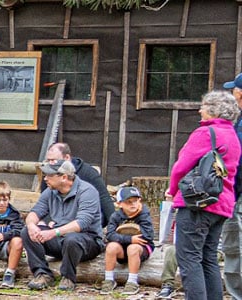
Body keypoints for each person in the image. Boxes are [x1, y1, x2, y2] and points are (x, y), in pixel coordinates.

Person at [168, 91, 240, 299]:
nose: (200, 110)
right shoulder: (232, 135)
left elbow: (181, 167)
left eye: (204, 106)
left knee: (189, 258)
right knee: (208, 258)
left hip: (198, 203)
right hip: (222, 203)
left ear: (214, 110)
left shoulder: (205, 133)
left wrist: (172, 190)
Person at [24, 160, 106, 291]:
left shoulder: (87, 191)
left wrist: (53, 232)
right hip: (60, 238)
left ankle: (68, 278)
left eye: (50, 175)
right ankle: (42, 274)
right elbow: (35, 212)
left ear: (64, 177)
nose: (45, 178)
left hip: (87, 241)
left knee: (72, 238)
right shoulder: (50, 192)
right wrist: (31, 225)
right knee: (26, 232)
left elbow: (82, 223)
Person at [44, 143, 115, 229]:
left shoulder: (88, 173)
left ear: (67, 157)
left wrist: (114, 226)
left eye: (53, 160)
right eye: (48, 160)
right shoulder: (48, 176)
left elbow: (104, 198)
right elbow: (45, 203)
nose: (50, 164)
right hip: (59, 216)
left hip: (87, 217)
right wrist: (48, 220)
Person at [100, 187, 154, 294]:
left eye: (135, 201)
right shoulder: (116, 216)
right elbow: (110, 235)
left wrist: (134, 240)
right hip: (122, 249)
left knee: (132, 248)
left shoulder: (144, 214)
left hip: (141, 248)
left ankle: (132, 281)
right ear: (119, 204)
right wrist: (129, 239)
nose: (133, 204)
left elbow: (148, 236)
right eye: (128, 202)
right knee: (111, 247)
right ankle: (109, 279)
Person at [224, 73, 242, 300]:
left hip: (236, 191)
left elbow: (238, 161)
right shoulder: (237, 120)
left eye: (234, 90)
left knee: (235, 245)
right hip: (235, 191)